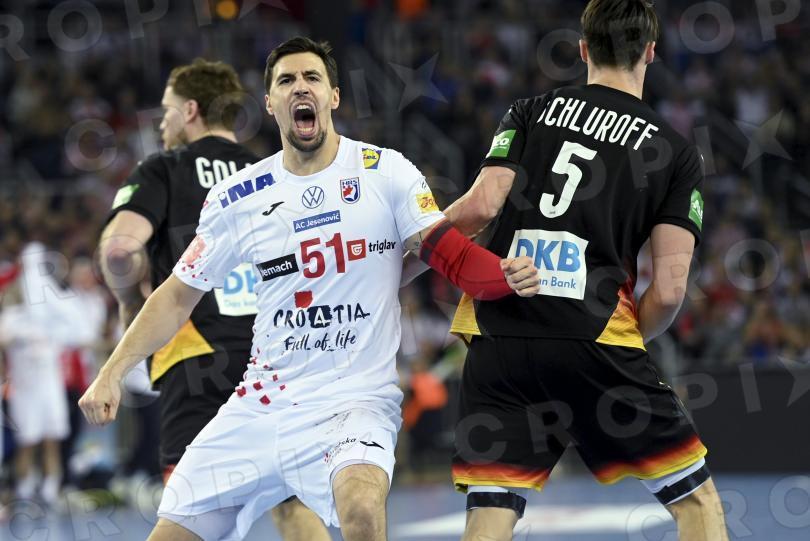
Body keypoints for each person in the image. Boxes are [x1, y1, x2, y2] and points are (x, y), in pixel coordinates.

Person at [80, 37, 539, 541]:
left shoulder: (385, 171)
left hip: (354, 401)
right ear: (270, 104)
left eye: (312, 78)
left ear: (333, 96)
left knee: (361, 509)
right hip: (260, 404)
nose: (300, 87)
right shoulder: (238, 196)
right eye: (286, 81)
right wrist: (111, 373)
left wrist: (504, 275)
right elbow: (175, 294)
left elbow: (449, 255)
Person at [443, 1, 729, 540]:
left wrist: (414, 241)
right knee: (697, 503)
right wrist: (620, 345)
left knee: (491, 512)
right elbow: (669, 291)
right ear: (650, 52)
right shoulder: (675, 152)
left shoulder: (530, 111)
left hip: (499, 336)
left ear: (582, 49)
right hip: (595, 337)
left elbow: (480, 208)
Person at [98, 58, 329, 539]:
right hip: (277, 357)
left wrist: (127, 303)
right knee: (291, 500)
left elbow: (120, 250)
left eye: (166, 111)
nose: (161, 123)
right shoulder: (272, 171)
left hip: (195, 355)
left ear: (190, 110)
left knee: (190, 511)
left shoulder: (164, 167)